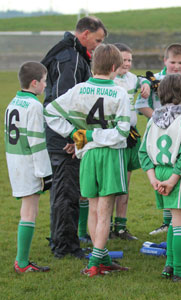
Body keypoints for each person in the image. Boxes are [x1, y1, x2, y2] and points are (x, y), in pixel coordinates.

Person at [45, 44, 131, 277]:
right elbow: (123, 131)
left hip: (87, 155)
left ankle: (100, 259)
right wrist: (92, 135)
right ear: (114, 67)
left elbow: (50, 111)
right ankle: (94, 263)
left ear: (93, 66)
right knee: (104, 211)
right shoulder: (120, 92)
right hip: (109, 154)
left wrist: (75, 134)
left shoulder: (79, 89)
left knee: (93, 209)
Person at [41, 16, 107, 258]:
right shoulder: (68, 57)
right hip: (63, 135)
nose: (98, 46)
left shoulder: (76, 54)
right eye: (97, 40)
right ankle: (64, 246)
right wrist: (72, 138)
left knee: (67, 188)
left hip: (69, 133)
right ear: (85, 34)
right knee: (65, 190)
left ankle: (63, 239)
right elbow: (61, 103)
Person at [139, 74, 181, 283]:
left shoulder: (153, 118)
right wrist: (173, 180)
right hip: (177, 174)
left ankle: (170, 266)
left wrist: (153, 178)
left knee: (174, 222)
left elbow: (143, 152)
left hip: (159, 173)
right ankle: (180, 272)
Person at [135, 43, 181, 236]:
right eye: (173, 62)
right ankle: (168, 222)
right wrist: (160, 120)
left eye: (180, 62)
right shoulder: (153, 80)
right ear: (165, 61)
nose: (176, 66)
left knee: (180, 170)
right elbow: (141, 104)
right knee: (165, 172)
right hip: (160, 132)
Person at [6, 62, 52, 273]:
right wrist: (45, 173)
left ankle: (22, 261)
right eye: (44, 81)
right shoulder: (34, 106)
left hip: (14, 162)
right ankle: (22, 262)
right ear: (34, 83)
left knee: (27, 210)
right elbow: (37, 142)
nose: (45, 85)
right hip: (28, 164)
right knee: (29, 212)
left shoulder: (13, 102)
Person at [108, 42, 152, 240]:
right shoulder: (108, 80)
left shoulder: (131, 78)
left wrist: (146, 84)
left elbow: (144, 78)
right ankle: (106, 226)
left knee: (125, 183)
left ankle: (121, 227)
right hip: (112, 135)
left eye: (129, 60)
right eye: (123, 60)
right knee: (111, 185)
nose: (127, 64)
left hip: (130, 136)